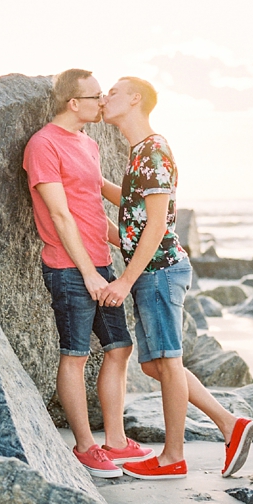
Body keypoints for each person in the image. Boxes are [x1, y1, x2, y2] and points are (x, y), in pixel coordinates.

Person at [96, 76, 253, 479]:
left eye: (113, 91)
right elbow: (132, 207)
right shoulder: (140, 154)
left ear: (135, 100)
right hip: (153, 274)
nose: (104, 97)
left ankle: (173, 457)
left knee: (168, 362)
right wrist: (92, 185)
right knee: (156, 366)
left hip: (159, 274)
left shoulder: (155, 151)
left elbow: (153, 228)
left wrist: (125, 280)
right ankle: (228, 423)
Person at [23, 69, 151, 478]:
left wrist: (134, 238)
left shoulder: (89, 144)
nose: (102, 102)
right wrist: (89, 274)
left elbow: (93, 204)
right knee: (75, 355)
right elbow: (61, 215)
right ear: (73, 103)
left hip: (100, 262)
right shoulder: (42, 145)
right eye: (96, 97)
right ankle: (84, 446)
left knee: (119, 348)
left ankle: (115, 439)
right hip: (67, 266)